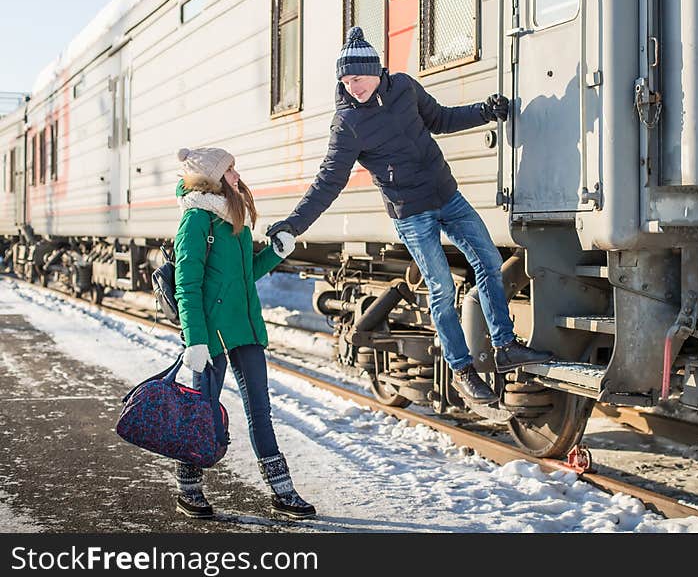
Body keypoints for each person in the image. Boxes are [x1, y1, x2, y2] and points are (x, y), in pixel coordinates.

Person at [266, 26, 552, 410]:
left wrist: (484, 112)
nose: (354, 87)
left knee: (488, 260)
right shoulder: (347, 124)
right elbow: (327, 183)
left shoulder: (403, 87)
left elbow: (441, 119)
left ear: (377, 70)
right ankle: (462, 370)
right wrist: (293, 224)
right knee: (441, 289)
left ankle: (504, 346)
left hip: (446, 195)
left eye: (359, 78)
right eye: (346, 81)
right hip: (411, 213)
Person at [173, 146, 314, 520]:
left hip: (247, 329)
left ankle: (282, 491)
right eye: (230, 170)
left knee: (260, 410)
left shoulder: (232, 218)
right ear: (213, 178)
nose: (237, 175)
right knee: (202, 413)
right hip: (212, 335)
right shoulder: (196, 221)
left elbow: (245, 274)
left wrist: (275, 253)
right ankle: (188, 486)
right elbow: (186, 285)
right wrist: (195, 339)